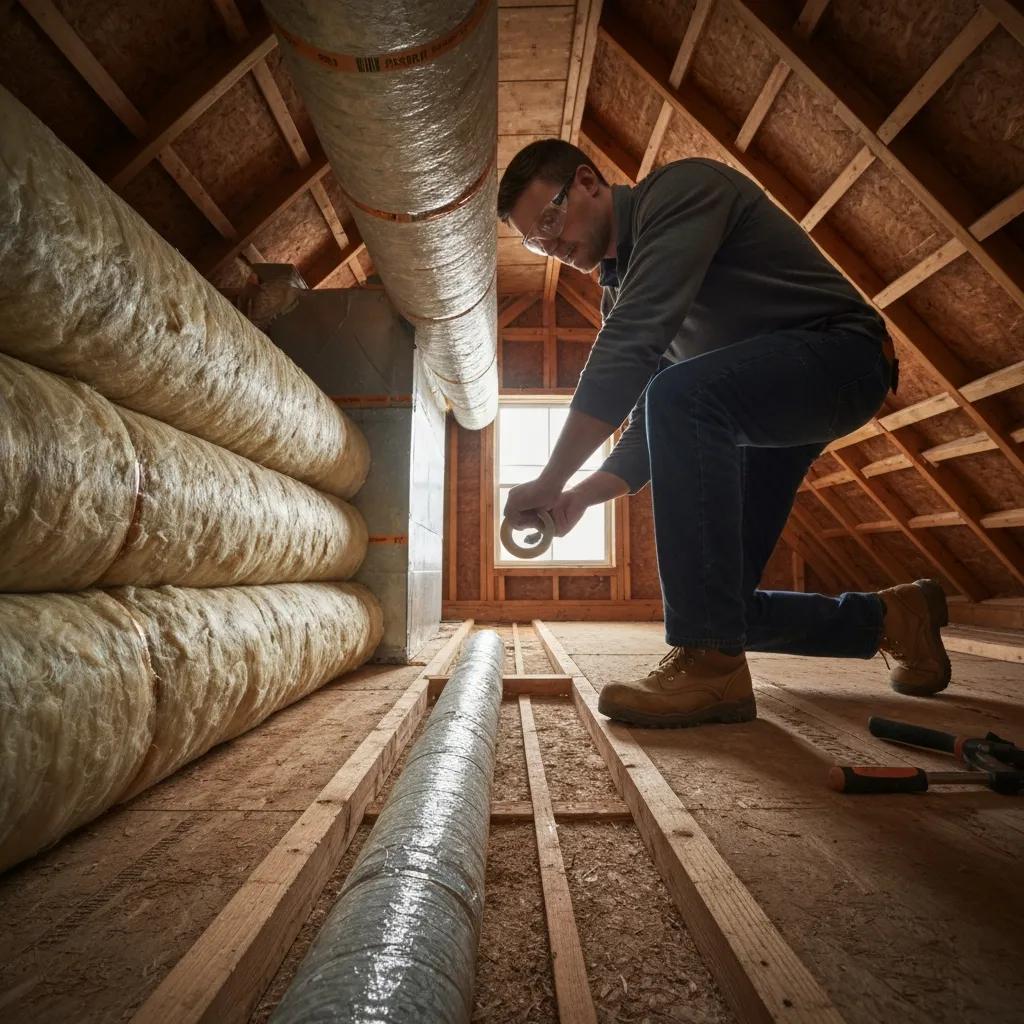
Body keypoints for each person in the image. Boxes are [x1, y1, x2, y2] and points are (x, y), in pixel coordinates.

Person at [498, 139, 951, 729]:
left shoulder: (682, 192)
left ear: (587, 182)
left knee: (680, 398)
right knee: (721, 602)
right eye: (537, 242)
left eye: (552, 220)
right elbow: (649, 429)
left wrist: (548, 476)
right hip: (760, 403)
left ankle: (710, 666)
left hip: (845, 357)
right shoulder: (619, 291)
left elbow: (637, 348)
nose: (552, 246)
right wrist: (576, 495)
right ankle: (895, 619)